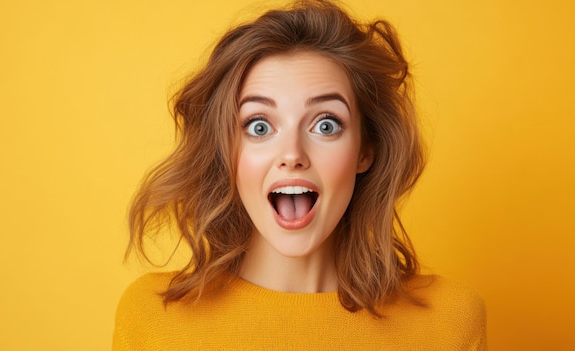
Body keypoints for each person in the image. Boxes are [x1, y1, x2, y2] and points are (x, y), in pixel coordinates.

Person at [113, 1, 488, 350]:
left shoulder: (448, 322)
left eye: (325, 125)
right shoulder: (154, 320)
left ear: (365, 150)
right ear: (227, 152)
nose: (292, 155)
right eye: (259, 127)